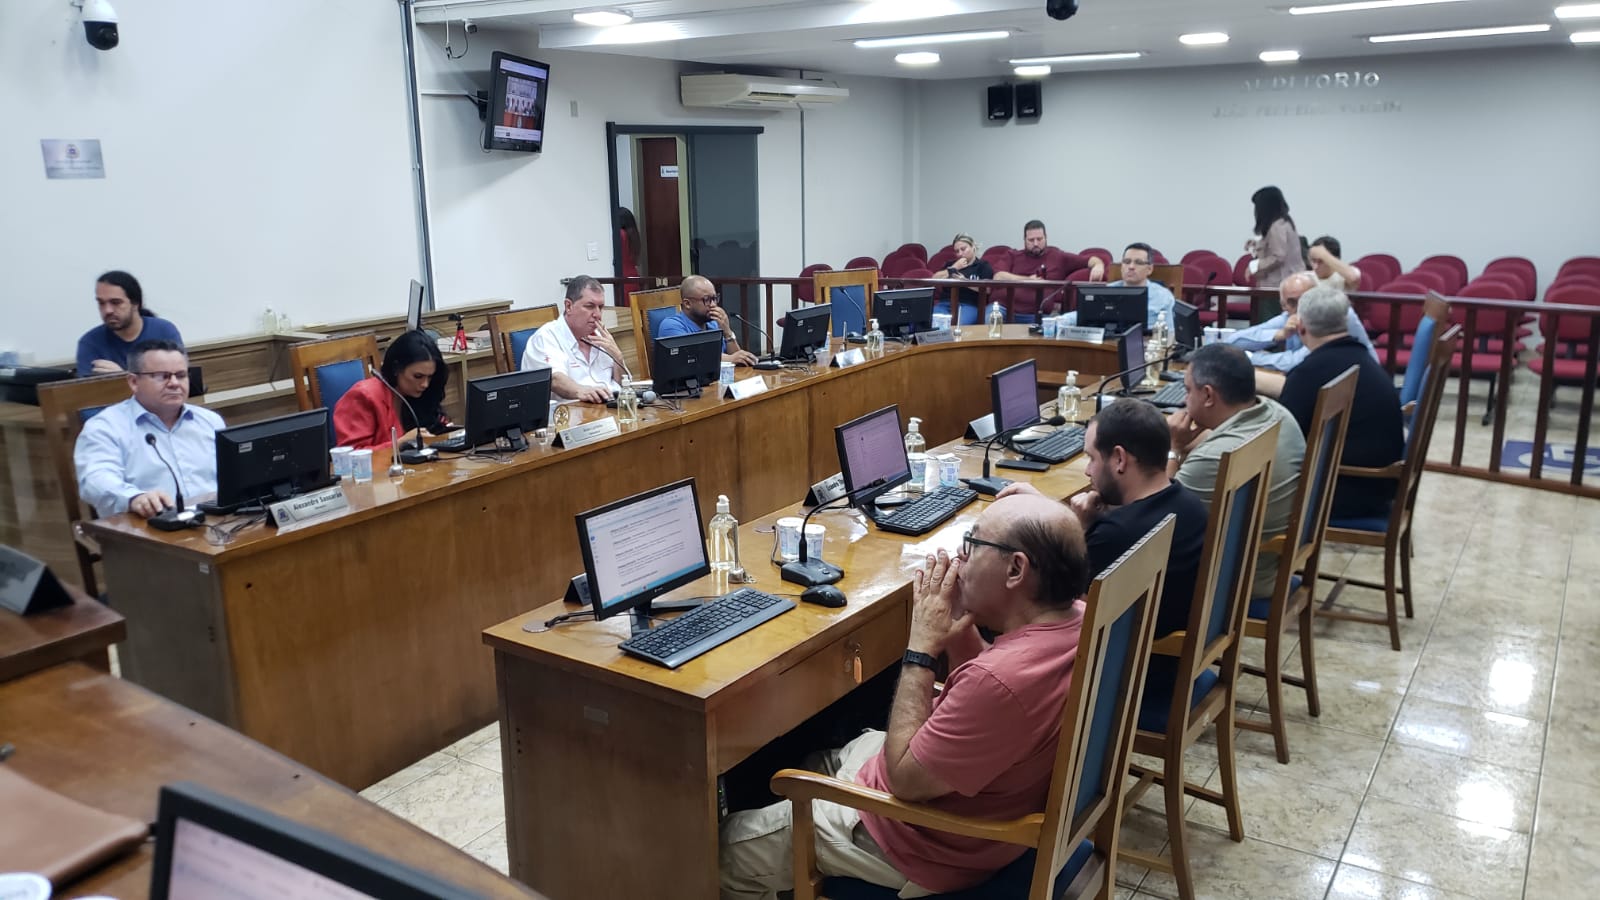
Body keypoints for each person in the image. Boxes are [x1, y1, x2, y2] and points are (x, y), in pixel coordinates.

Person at [720, 493, 1093, 898]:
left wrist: (922, 645)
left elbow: (904, 779)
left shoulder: (999, 681)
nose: (960, 557)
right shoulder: (1077, 621)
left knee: (723, 853)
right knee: (809, 759)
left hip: (920, 842)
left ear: (1016, 569)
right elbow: (996, 701)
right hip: (981, 809)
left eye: (972, 544)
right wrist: (959, 627)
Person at [1000, 398, 1206, 639]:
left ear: (1119, 459)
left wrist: (1080, 529)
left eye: (1092, 458)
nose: (1087, 471)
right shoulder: (1191, 505)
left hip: (1133, 659)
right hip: (1165, 642)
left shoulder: (1116, 535)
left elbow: (1068, 619)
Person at [1167, 343, 1305, 601]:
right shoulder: (1277, 413)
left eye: (1187, 390)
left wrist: (1173, 448)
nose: (1184, 401)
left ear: (1208, 395)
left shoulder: (1215, 457)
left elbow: (1158, 517)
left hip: (1237, 580)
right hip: (1270, 563)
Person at [1277, 285, 1405, 522]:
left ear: (1301, 327)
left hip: (1341, 492)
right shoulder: (1362, 361)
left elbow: (1282, 441)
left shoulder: (1308, 373)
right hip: (1378, 486)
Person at [74, 339, 224, 519]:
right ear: (134, 382)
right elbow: (95, 480)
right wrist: (134, 498)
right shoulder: (104, 427)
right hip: (146, 526)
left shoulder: (210, 421)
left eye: (181, 375)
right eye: (162, 376)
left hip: (217, 523)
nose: (174, 383)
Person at [1225, 271, 1376, 380]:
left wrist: (1248, 358)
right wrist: (1278, 335)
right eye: (1292, 302)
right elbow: (1231, 341)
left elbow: (1295, 362)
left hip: (1359, 384)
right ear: (1283, 305)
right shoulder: (1288, 316)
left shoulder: (1334, 313)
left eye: (1306, 299)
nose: (1301, 307)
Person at [333, 330, 451, 451]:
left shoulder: (420, 395)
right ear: (396, 368)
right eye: (418, 376)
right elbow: (351, 455)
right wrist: (400, 443)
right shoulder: (363, 396)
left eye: (430, 377)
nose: (425, 384)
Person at [522, 275, 623, 403]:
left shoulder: (602, 337)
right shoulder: (546, 337)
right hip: (572, 412)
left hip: (612, 408)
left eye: (601, 307)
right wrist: (581, 391)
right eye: (590, 306)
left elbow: (622, 384)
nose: (597, 314)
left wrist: (618, 358)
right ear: (568, 306)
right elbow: (555, 379)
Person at [992, 220, 1106, 323]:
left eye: (1039, 239)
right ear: (1024, 240)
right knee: (990, 321)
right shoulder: (1012, 255)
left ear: (1046, 238)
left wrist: (1098, 265)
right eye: (1031, 240)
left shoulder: (1058, 256)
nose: (1035, 243)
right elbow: (998, 276)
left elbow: (1090, 260)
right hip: (1003, 309)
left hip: (1039, 315)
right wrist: (1028, 280)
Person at [76, 270, 185, 376]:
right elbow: (89, 388)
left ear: (135, 303)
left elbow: (178, 379)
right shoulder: (90, 343)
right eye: (101, 303)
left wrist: (121, 378)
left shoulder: (164, 331)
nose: (107, 310)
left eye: (116, 302)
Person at [1057, 242, 1176, 331]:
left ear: (1149, 269)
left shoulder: (1163, 297)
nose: (1131, 267)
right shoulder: (1108, 291)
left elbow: (1170, 333)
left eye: (1138, 262)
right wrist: (1058, 320)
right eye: (1127, 262)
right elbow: (1083, 315)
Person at [655, 275, 759, 366]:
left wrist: (727, 332)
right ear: (687, 304)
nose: (713, 305)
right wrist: (730, 359)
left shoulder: (714, 324)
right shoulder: (671, 325)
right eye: (707, 300)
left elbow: (738, 359)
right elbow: (692, 357)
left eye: (714, 298)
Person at [1245, 186, 1307, 290]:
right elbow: (1277, 246)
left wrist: (1254, 266)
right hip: (1289, 282)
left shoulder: (1277, 227)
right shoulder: (1283, 222)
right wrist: (1257, 244)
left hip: (1280, 284)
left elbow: (1278, 257)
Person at [931, 234, 994, 326]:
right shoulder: (951, 264)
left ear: (973, 247)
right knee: (935, 324)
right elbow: (934, 279)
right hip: (945, 303)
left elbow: (987, 289)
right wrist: (954, 267)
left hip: (969, 305)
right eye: (957, 251)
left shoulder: (983, 266)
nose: (960, 254)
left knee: (959, 326)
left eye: (963, 249)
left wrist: (965, 282)